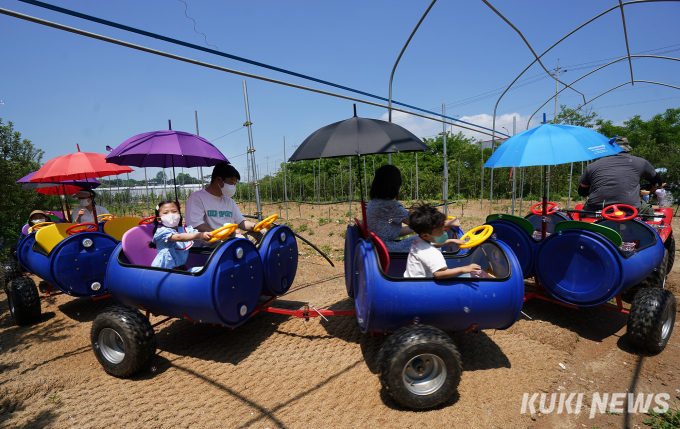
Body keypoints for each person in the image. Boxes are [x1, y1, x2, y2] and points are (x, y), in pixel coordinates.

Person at [366, 165, 458, 252]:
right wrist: (450, 223)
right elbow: (420, 223)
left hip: (379, 248)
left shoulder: (373, 203)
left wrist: (416, 228)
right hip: (389, 250)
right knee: (432, 239)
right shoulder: (390, 206)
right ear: (395, 186)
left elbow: (410, 227)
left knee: (423, 237)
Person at [578, 137, 663, 215]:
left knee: (582, 213)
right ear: (627, 149)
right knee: (649, 211)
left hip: (596, 209)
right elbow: (658, 181)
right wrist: (654, 187)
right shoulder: (640, 162)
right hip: (629, 209)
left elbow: (582, 192)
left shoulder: (593, 166)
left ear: (609, 148)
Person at [185, 162, 257, 245]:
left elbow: (241, 222)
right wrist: (221, 234)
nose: (233, 187)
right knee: (241, 242)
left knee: (263, 233)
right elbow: (197, 225)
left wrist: (255, 225)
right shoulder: (197, 197)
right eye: (231, 183)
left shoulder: (229, 201)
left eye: (235, 184)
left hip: (229, 239)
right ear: (219, 180)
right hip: (210, 242)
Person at [404, 204, 481, 279]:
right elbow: (439, 274)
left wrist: (451, 241)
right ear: (425, 235)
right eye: (440, 232)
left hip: (410, 281)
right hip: (421, 287)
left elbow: (433, 244)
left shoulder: (419, 241)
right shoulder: (431, 252)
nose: (444, 233)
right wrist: (463, 269)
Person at [149, 201, 213, 271]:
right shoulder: (161, 232)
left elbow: (197, 234)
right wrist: (200, 236)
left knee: (205, 270)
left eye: (174, 211)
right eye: (166, 213)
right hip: (162, 270)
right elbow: (179, 237)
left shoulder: (183, 230)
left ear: (179, 215)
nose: (171, 215)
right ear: (159, 219)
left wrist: (209, 236)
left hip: (180, 268)